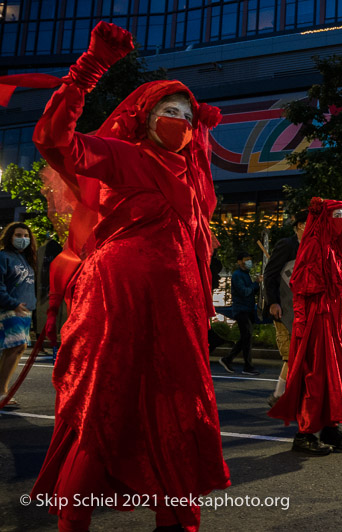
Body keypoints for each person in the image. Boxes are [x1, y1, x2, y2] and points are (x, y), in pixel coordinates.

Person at [11, 22, 230, 531]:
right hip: (118, 294)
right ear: (144, 118)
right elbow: (53, 139)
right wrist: (88, 71)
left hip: (178, 303)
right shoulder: (125, 154)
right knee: (102, 406)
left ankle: (176, 521)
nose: (179, 121)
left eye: (186, 115)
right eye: (167, 112)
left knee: (178, 409)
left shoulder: (195, 178)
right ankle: (73, 522)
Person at [268, 198, 342, 455]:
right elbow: (303, 290)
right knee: (316, 377)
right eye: (336, 216)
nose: (340, 222)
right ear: (323, 220)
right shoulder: (312, 247)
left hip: (335, 321)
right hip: (317, 325)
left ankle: (331, 427)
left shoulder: (333, 244)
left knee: (340, 375)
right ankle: (305, 434)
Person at [265, 210, 307, 408]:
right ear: (300, 225)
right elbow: (270, 274)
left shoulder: (313, 246)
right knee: (292, 356)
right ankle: (280, 395)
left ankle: (284, 394)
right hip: (284, 308)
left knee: (300, 355)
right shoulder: (287, 245)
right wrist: (273, 301)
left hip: (303, 308)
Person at [0, 222, 37, 408]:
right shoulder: (3, 257)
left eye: (25, 235)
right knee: (16, 346)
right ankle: (1, 392)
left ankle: (2, 390)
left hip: (25, 311)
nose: (23, 239)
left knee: (16, 349)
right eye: (18, 235)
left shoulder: (28, 260)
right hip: (10, 309)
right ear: (10, 237)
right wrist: (11, 303)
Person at [219, 251, 261, 376]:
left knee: (246, 337)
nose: (248, 261)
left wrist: (257, 285)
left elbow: (251, 291)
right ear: (239, 261)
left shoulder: (246, 274)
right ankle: (247, 366)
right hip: (241, 310)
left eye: (249, 259)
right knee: (246, 336)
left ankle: (228, 359)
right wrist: (255, 284)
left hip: (247, 309)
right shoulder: (237, 275)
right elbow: (244, 291)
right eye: (246, 259)